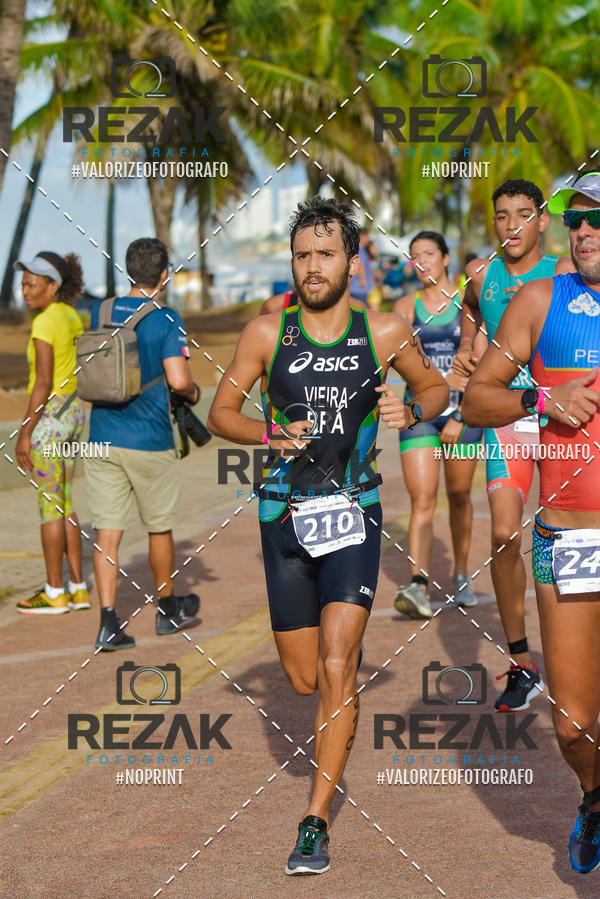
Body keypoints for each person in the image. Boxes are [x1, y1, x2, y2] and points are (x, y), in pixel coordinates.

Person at [207, 196, 448, 875]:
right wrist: (266, 433)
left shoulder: (384, 330)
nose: (313, 267)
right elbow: (220, 409)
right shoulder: (265, 332)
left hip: (354, 511)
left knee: (339, 664)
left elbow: (433, 391)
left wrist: (412, 405)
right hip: (281, 517)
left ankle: (314, 819)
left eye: (326, 253)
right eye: (303, 255)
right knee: (305, 674)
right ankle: (339, 707)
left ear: (353, 259)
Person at [462, 169, 600, 874]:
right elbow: (477, 400)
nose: (583, 231)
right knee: (574, 724)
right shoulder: (539, 301)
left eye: (596, 220)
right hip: (571, 540)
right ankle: (595, 795)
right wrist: (541, 402)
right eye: (576, 219)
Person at [454, 178, 574, 712]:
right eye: (502, 216)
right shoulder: (482, 274)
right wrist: (464, 348)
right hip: (508, 420)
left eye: (523, 215)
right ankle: (523, 663)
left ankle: (573, 653)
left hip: (562, 424)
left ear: (543, 221)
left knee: (571, 536)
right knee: (504, 533)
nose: (511, 227)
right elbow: (472, 311)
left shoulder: (565, 274)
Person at [84, 237, 200, 650]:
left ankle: (108, 623)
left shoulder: (100, 311)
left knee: (107, 532)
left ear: (129, 271)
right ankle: (167, 609)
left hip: (101, 435)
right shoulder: (166, 318)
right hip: (149, 439)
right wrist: (193, 395)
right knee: (158, 527)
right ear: (164, 275)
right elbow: (179, 380)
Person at [393, 232, 484, 618]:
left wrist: (461, 413)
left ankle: (461, 573)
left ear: (446, 258)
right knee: (423, 499)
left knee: (460, 496)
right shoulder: (404, 306)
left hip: (464, 414)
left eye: (429, 254)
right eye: (414, 257)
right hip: (420, 414)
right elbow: (389, 358)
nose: (422, 262)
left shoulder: (468, 304)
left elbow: (482, 365)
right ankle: (418, 584)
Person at [15, 252, 90, 615]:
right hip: (74, 414)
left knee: (50, 508)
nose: (24, 291)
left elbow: (42, 382)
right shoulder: (72, 316)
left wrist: (25, 433)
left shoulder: (45, 322)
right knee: (67, 503)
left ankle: (54, 591)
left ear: (52, 286)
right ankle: (78, 587)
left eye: (31, 284)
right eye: (23, 284)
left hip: (50, 418)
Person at [349, 227, 374, 305]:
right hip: (359, 289)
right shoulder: (360, 249)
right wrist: (363, 282)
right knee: (360, 312)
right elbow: (360, 265)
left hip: (355, 288)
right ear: (363, 236)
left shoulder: (356, 248)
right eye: (367, 236)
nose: (368, 239)